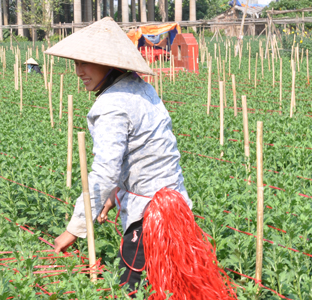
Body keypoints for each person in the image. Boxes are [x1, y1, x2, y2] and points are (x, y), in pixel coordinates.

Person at [46, 17, 237, 300]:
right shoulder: (141, 88)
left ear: (109, 63)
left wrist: (73, 230)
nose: (78, 71)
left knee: (130, 289)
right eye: (75, 63)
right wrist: (114, 196)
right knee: (174, 286)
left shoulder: (111, 105)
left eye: (85, 62)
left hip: (149, 217)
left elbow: (105, 172)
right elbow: (148, 152)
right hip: (175, 205)